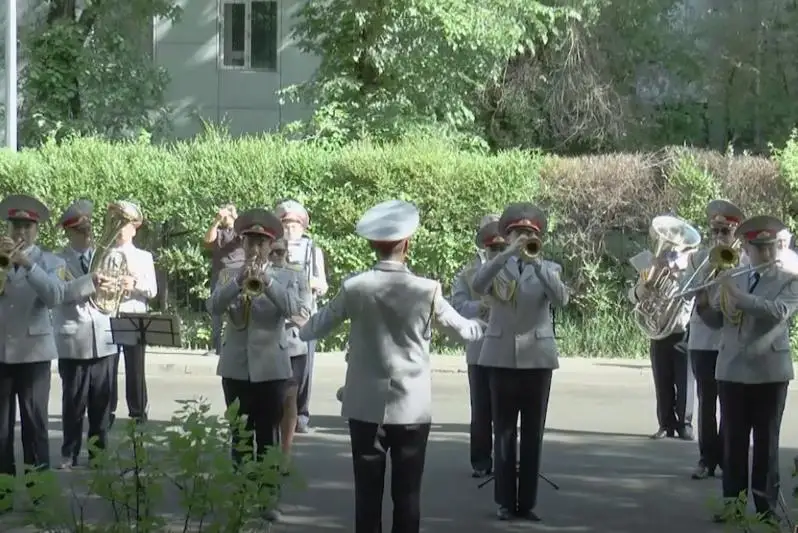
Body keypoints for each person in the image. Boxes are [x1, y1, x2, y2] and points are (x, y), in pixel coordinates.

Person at [298, 199, 484, 533]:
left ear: (372, 245)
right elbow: (464, 331)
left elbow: (314, 328)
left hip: (364, 405)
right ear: (408, 244)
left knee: (367, 497)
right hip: (411, 407)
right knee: (408, 495)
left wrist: (300, 320)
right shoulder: (427, 290)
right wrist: (484, 321)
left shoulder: (354, 288)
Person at [695, 214, 798, 523]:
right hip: (732, 370)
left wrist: (740, 297)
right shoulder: (734, 275)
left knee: (766, 444)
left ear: (776, 248)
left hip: (769, 372)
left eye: (769, 248)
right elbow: (717, 321)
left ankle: (766, 510)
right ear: (747, 249)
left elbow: (778, 312)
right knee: (733, 444)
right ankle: (733, 507)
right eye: (758, 248)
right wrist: (703, 303)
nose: (765, 254)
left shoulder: (789, 280)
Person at [471, 202, 569, 522]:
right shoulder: (497, 265)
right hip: (500, 358)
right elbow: (477, 285)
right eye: (517, 233)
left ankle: (526, 503)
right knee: (503, 433)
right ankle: (503, 501)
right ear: (507, 234)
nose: (523, 238)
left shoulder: (549, 268)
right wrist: (504, 254)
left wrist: (537, 262)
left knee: (531, 434)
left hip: (537, 359)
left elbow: (561, 299)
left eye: (529, 233)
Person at [206, 208, 300, 522]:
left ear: (271, 245)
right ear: (243, 243)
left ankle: (267, 498)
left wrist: (267, 281)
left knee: (267, 436)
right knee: (240, 436)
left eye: (261, 242)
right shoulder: (227, 274)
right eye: (250, 241)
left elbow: (293, 309)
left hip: (271, 368)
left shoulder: (287, 276)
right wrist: (237, 282)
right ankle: (241, 495)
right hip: (235, 367)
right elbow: (214, 306)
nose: (255, 248)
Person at [0, 195, 68, 511]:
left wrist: (29, 266)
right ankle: (2, 491)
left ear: (36, 230)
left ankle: (39, 491)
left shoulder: (52, 262)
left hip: (35, 354)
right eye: (16, 226)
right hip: (1, 352)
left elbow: (56, 296)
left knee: (35, 424)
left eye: (27, 227)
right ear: (8, 227)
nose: (20, 233)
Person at [54, 200, 118, 469]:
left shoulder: (106, 257)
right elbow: (60, 294)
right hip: (74, 340)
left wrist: (118, 285)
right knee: (73, 404)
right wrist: (91, 280)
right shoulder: (58, 260)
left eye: (89, 229)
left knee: (101, 404)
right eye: (80, 230)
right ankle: (70, 453)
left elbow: (114, 295)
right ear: (69, 232)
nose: (87, 234)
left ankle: (98, 454)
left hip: (103, 337)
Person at [685, 200, 744, 480]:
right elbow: (685, 291)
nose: (720, 237)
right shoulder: (698, 258)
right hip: (703, 339)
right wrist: (706, 271)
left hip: (732, 338)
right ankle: (706, 459)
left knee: (730, 403)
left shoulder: (743, 260)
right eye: (716, 231)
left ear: (735, 232)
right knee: (706, 401)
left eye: (725, 231)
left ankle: (726, 458)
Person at [627, 220, 695, 441]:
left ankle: (685, 424)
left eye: (676, 240)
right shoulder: (651, 264)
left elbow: (693, 291)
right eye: (669, 239)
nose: (672, 244)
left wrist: (676, 274)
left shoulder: (690, 264)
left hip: (681, 329)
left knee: (685, 381)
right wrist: (645, 285)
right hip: (657, 329)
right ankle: (665, 424)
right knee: (662, 380)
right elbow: (632, 296)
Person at [450, 214, 501, 478]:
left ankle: (505, 459)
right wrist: (479, 307)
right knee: (481, 408)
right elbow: (457, 304)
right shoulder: (468, 272)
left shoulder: (513, 265)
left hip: (507, 348)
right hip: (479, 347)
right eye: (490, 238)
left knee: (505, 409)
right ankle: (481, 461)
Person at [275, 200, 328, 433]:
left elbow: (323, 284)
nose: (290, 228)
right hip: (278, 317)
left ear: (303, 227)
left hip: (305, 316)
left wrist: (305, 283)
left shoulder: (312, 249)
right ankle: (279, 415)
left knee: (304, 370)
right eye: (286, 224)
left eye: (295, 224)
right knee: (278, 369)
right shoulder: (274, 249)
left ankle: (301, 416)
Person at [108, 201, 158, 425]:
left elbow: (152, 290)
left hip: (134, 314)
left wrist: (134, 283)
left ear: (134, 228)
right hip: (109, 314)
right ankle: (105, 411)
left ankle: (138, 411)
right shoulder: (105, 253)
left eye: (124, 224)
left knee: (135, 368)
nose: (119, 228)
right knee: (107, 367)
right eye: (116, 223)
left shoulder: (143, 256)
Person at [269, 237, 312, 474]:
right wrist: (288, 311)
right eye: (272, 252)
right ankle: (268, 450)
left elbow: (304, 312)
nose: (276, 257)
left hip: (294, 344)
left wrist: (283, 313)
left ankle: (284, 453)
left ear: (287, 252)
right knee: (270, 402)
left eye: (280, 252)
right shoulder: (259, 273)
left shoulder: (298, 274)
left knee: (289, 399)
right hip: (269, 345)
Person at [202, 203, 244, 356]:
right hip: (220, 274)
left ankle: (238, 344)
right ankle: (217, 347)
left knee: (239, 309)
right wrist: (216, 221)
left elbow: (244, 235)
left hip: (237, 274)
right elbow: (208, 240)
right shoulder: (219, 232)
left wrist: (235, 215)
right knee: (216, 311)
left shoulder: (239, 231)